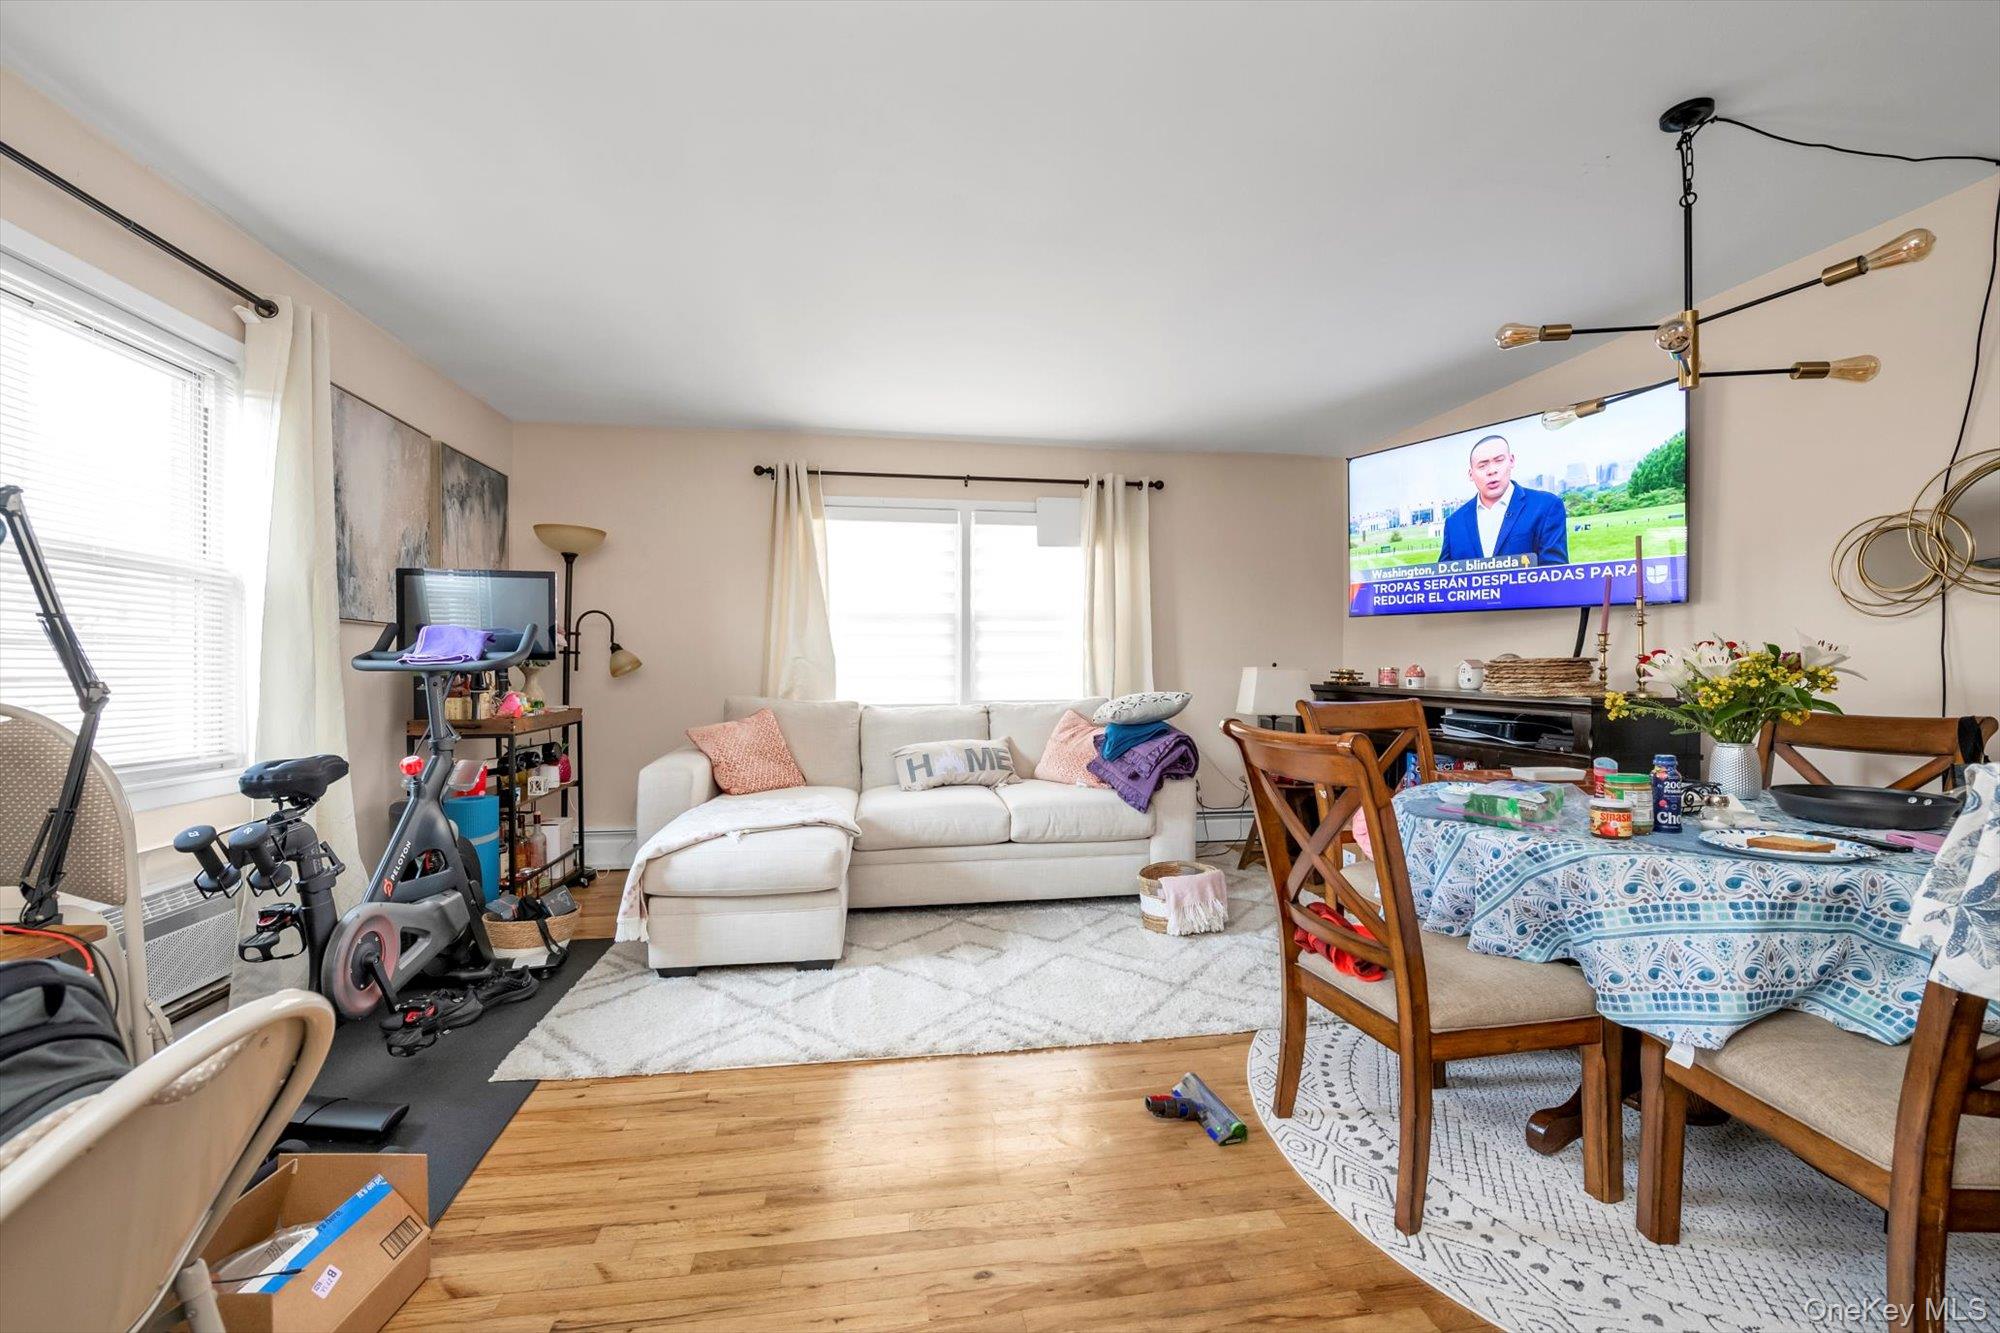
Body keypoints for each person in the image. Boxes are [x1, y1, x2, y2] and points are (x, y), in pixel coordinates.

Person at [1438, 433, 1569, 564]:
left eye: (1499, 460)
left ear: (1511, 461)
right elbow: (1443, 577)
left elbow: (1555, 576)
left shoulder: (1545, 506)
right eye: (1482, 466)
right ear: (1471, 474)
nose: (1491, 470)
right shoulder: (1454, 523)